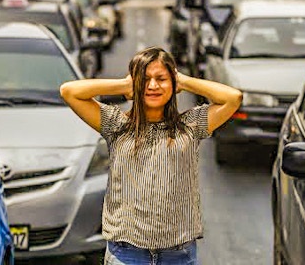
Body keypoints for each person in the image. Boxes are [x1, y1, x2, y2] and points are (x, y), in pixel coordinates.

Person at [60, 46, 242, 264]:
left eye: (161, 79)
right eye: (145, 79)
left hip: (178, 254)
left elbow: (233, 97)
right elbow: (69, 91)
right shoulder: (117, 125)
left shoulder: (190, 126)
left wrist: (182, 81)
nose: (153, 86)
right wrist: (125, 84)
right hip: (127, 254)